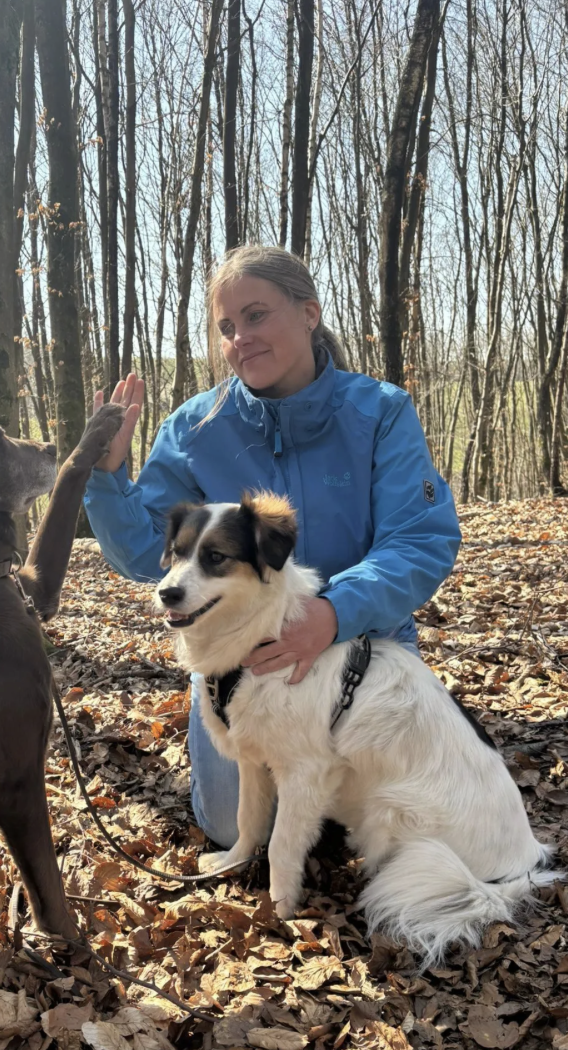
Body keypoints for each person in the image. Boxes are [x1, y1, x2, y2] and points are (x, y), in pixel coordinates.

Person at [83, 245, 461, 849]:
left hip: (367, 647)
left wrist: (332, 614)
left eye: (256, 315)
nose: (240, 338)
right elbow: (141, 555)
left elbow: (418, 539)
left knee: (389, 826)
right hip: (240, 661)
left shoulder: (381, 412)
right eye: (227, 327)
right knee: (230, 825)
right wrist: (106, 477)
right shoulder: (192, 427)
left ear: (308, 313)